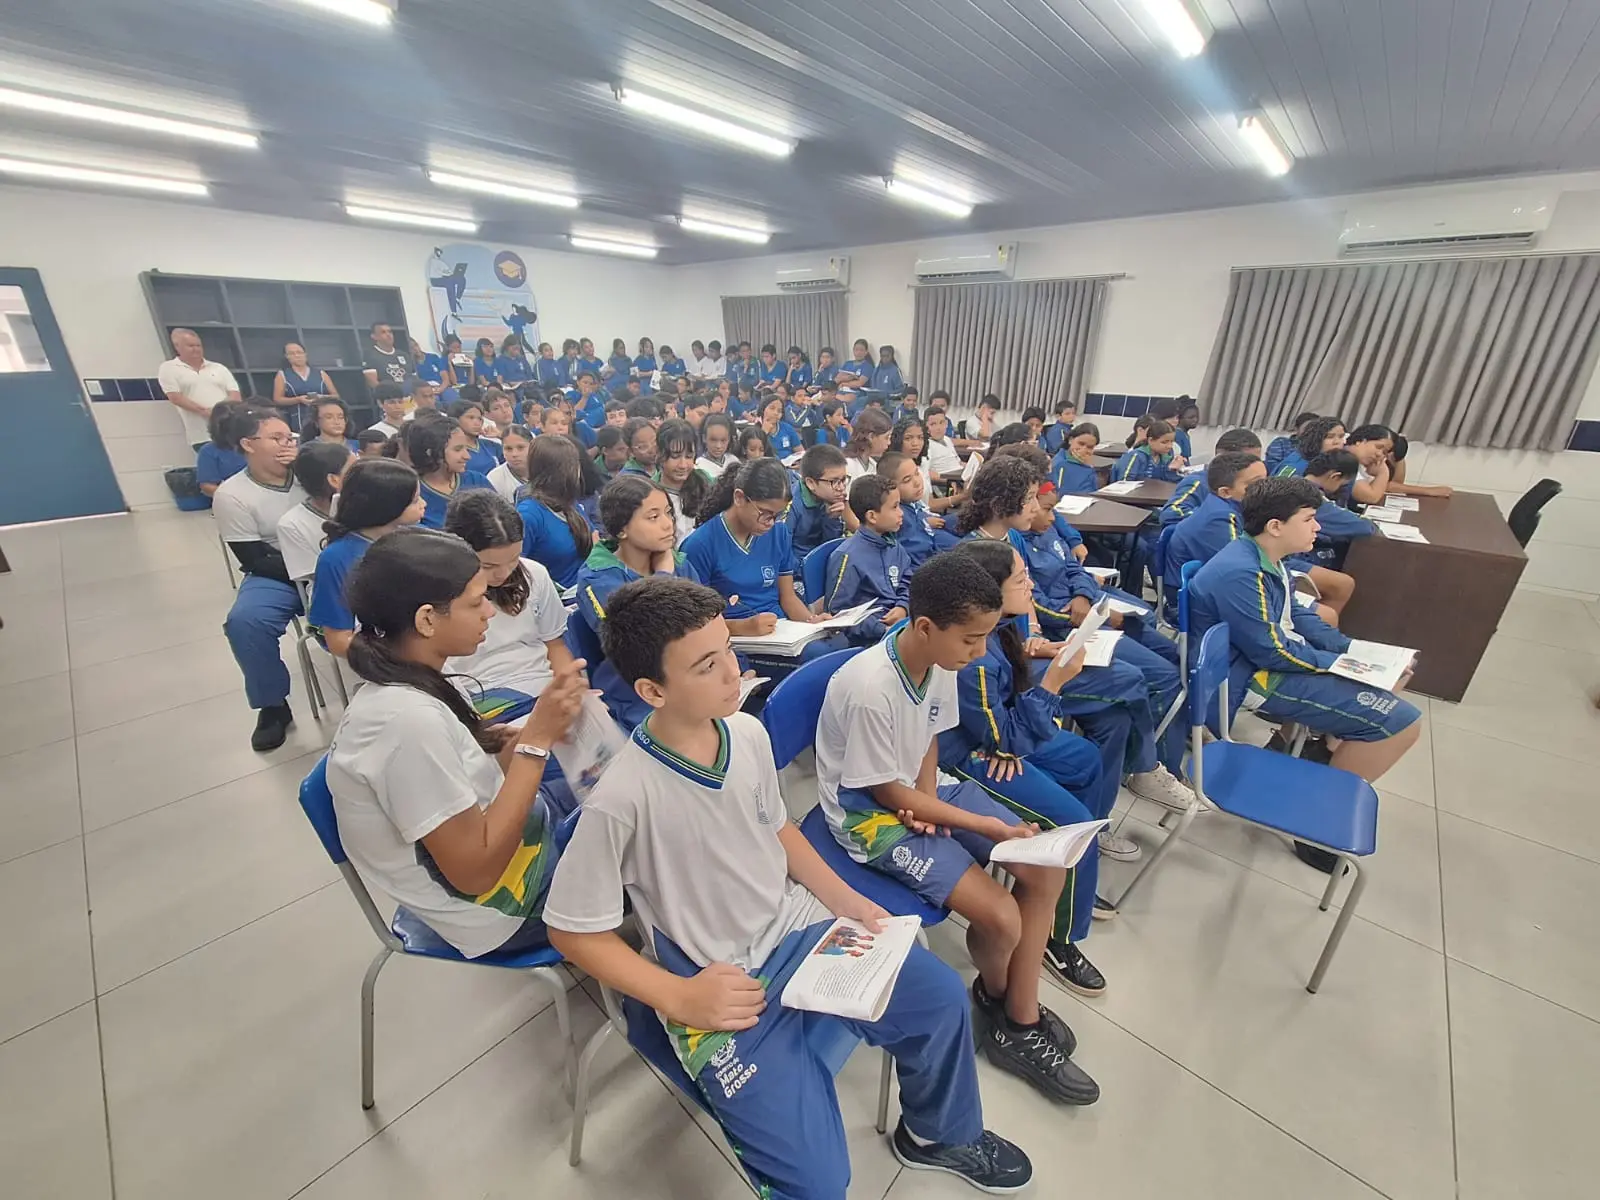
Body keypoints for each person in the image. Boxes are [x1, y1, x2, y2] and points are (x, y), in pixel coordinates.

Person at [546, 575, 1034, 1197]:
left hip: (799, 930)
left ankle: (935, 1134)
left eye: (727, 649)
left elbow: (777, 828)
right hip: (722, 982)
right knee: (818, 1183)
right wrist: (679, 997)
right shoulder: (622, 797)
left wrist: (847, 901)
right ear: (651, 690)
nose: (732, 671)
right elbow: (571, 928)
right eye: (706, 665)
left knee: (938, 998)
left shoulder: (745, 735)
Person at [815, 552, 1098, 1105]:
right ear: (925, 627)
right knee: (1000, 913)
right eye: (972, 639)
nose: (980, 651)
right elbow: (881, 793)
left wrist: (926, 796)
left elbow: (929, 738)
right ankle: (1013, 1018)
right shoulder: (873, 687)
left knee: (1044, 873)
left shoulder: (940, 660)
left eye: (987, 637)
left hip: (918, 790)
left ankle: (1017, 1008)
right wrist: (977, 822)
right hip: (868, 817)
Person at [327, 528, 589, 959]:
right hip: (500, 909)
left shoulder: (420, 676)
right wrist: (535, 743)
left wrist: (543, 726)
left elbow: (476, 759)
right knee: (658, 847)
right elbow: (475, 874)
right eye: (475, 602)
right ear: (427, 619)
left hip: (511, 836)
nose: (490, 611)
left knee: (623, 797)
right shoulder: (404, 724)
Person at [1189, 477, 1423, 864]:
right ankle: (1319, 827)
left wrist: (1355, 652)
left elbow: (1297, 615)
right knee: (1400, 723)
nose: (1318, 527)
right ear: (1275, 526)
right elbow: (1272, 653)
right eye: (1310, 519)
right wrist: (1350, 668)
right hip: (1249, 679)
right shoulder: (1241, 572)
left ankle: (1316, 750)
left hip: (1266, 664)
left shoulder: (1266, 559)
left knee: (1395, 680)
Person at [964, 456, 1195, 815]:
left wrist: (1037, 633)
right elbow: (984, 630)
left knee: (1115, 720)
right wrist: (1032, 646)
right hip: (1009, 666)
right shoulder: (972, 553)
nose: (1037, 506)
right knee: (1131, 679)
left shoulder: (1013, 538)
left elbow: (1030, 600)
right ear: (1000, 503)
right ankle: (1146, 769)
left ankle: (1092, 822)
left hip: (1025, 649)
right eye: (1028, 499)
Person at [941, 539, 1119, 993]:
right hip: (966, 757)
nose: (1031, 583)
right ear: (988, 592)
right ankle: (1059, 939)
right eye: (1020, 578)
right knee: (1072, 822)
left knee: (1084, 759)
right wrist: (1054, 682)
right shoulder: (973, 658)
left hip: (998, 736)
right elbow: (1002, 736)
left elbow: (1009, 723)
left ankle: (1073, 879)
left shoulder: (1004, 626)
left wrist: (1012, 737)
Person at [442, 491, 581, 740]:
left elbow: (555, 645)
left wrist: (572, 688)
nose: (503, 574)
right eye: (488, 566)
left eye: (513, 560)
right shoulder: (440, 594)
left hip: (542, 688)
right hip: (482, 699)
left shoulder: (534, 574)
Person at [574, 476, 704, 730]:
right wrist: (664, 577)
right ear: (622, 528)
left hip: (689, 675)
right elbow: (640, 640)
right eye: (653, 517)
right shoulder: (598, 578)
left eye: (668, 513)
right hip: (634, 690)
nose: (668, 525)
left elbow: (707, 620)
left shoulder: (678, 562)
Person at [213, 409, 306, 751]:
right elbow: (254, 558)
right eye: (276, 438)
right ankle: (272, 705)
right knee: (245, 622)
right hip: (278, 570)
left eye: (289, 437)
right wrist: (310, 573)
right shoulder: (232, 494)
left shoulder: (310, 473)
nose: (287, 444)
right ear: (248, 445)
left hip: (331, 558)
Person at [682, 458, 831, 642]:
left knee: (829, 646)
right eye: (765, 513)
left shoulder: (779, 532)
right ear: (739, 498)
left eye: (778, 515)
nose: (770, 522)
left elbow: (788, 597)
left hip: (781, 632)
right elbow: (695, 622)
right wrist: (742, 627)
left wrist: (812, 622)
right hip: (736, 639)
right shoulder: (700, 545)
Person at [309, 459, 426, 656]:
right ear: (388, 505)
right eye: (415, 500)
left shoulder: (418, 538)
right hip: (381, 651)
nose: (424, 504)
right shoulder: (336, 558)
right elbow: (338, 640)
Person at [824, 476, 910, 641]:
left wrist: (903, 607)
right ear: (872, 516)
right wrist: (881, 629)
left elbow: (908, 581)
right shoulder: (847, 556)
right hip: (872, 636)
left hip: (902, 623)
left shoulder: (894, 545)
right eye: (895, 507)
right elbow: (838, 614)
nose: (901, 513)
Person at [517, 434, 594, 590]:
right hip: (557, 602)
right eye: (573, 465)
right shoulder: (529, 514)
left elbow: (594, 540)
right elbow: (516, 569)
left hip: (585, 590)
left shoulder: (571, 504)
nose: (578, 471)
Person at [277, 440, 354, 582]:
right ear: (334, 480)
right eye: (355, 470)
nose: (365, 473)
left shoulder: (369, 504)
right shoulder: (292, 524)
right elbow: (321, 577)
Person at [1157, 427, 1262, 528]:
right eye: (1248, 461)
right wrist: (1216, 521)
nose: (1255, 466)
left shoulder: (1252, 485)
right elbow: (1171, 514)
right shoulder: (1199, 482)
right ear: (1221, 457)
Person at [160, 327, 241, 449]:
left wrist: (222, 413)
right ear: (177, 347)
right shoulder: (169, 368)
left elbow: (235, 395)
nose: (196, 349)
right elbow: (175, 397)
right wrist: (206, 412)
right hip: (200, 435)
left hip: (230, 431)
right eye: (191, 346)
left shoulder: (218, 368)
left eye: (198, 345)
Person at [786, 443, 851, 578]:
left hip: (820, 566)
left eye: (843, 480)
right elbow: (781, 555)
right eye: (834, 482)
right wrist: (809, 571)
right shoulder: (790, 506)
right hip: (796, 573)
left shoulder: (830, 499)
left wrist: (832, 520)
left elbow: (831, 547)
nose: (841, 488)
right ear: (811, 483)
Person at [878, 450, 950, 570]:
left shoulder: (913, 505)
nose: (917, 482)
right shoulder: (900, 516)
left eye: (917, 473)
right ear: (890, 487)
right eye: (907, 480)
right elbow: (917, 552)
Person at [654, 418, 712, 543]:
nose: (683, 465)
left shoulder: (706, 483)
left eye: (689, 456)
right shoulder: (650, 493)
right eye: (675, 456)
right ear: (659, 453)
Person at [273, 341, 337, 430]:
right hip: (298, 419)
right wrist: (298, 399)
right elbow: (277, 400)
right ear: (287, 357)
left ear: (305, 354)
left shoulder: (321, 373)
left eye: (299, 352)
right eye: (291, 353)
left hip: (323, 417)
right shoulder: (282, 375)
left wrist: (321, 397)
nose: (296, 355)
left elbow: (336, 396)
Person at [195, 400, 248, 498]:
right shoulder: (208, 451)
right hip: (233, 500)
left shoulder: (261, 443)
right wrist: (236, 497)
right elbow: (207, 486)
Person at [1112, 418, 1186, 482]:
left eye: (1171, 441)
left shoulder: (1165, 456)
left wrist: (1172, 469)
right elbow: (1124, 481)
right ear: (1150, 440)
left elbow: (1166, 482)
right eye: (1164, 442)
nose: (1169, 446)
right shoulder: (1136, 456)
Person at [447, 397, 505, 476]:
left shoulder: (490, 445)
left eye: (480, 419)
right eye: (471, 417)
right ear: (456, 419)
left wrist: (501, 435)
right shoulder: (450, 449)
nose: (477, 423)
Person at [1273, 416, 1345, 478]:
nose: (1337, 442)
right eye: (1330, 437)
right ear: (1316, 439)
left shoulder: (1339, 463)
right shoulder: (1294, 466)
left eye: (1341, 436)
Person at [1048, 423, 1101, 495]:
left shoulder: (1087, 464)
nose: (1083, 449)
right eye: (1081, 444)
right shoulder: (1060, 464)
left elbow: (1094, 490)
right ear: (1070, 440)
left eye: (1090, 447)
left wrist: (1088, 467)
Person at [843, 408, 892, 482]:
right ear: (871, 436)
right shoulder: (847, 466)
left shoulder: (874, 465)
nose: (889, 442)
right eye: (886, 437)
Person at [487, 424, 533, 502]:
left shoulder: (547, 472)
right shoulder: (495, 478)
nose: (514, 454)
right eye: (508, 449)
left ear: (532, 446)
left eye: (520, 447)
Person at [753, 394, 802, 459]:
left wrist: (800, 462)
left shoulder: (787, 428)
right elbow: (756, 456)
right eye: (772, 408)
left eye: (779, 411)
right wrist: (764, 432)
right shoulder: (754, 430)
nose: (776, 413)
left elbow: (800, 451)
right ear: (763, 409)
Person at [362, 322, 410, 390]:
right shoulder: (370, 355)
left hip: (410, 397)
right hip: (389, 397)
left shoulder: (403, 355)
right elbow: (372, 382)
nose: (388, 335)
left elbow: (414, 379)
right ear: (374, 336)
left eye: (390, 332)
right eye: (383, 332)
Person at [923, 407, 963, 482]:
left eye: (941, 422)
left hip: (961, 476)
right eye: (933, 424)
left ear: (946, 423)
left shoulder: (947, 439)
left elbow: (958, 462)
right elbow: (925, 472)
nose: (939, 428)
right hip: (947, 483)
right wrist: (949, 481)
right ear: (926, 427)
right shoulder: (926, 445)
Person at [696, 413, 738, 478]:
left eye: (723, 440)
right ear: (704, 438)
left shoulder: (733, 461)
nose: (718, 446)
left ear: (729, 439)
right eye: (713, 440)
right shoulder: (698, 466)